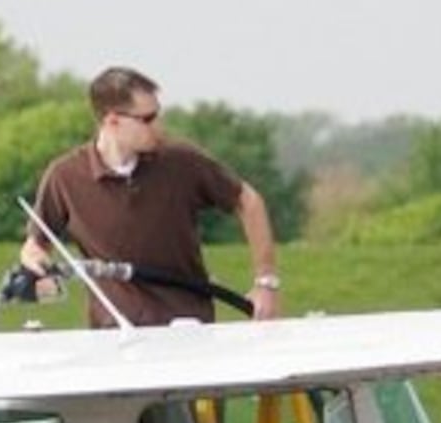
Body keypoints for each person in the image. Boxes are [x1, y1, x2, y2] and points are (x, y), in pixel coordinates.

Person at [20, 66, 280, 328]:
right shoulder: (65, 176)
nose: (159, 127)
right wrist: (36, 260)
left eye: (158, 116)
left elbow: (248, 201)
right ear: (113, 121)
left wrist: (266, 283)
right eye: (148, 119)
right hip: (114, 337)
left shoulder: (182, 162)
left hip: (189, 330)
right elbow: (36, 245)